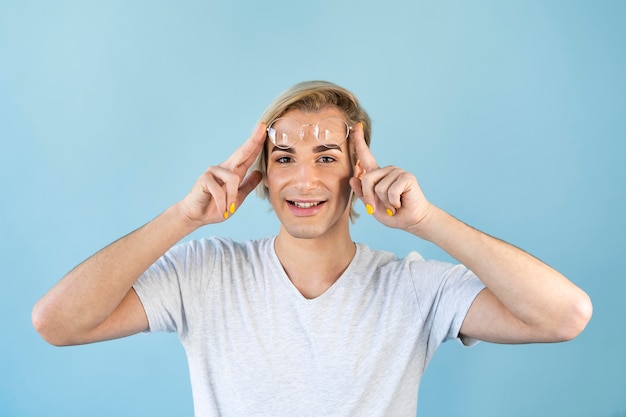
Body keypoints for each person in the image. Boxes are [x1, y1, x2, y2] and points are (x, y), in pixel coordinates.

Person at [32, 80, 592, 416]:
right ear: (263, 178)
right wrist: (182, 219)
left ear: (358, 173)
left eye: (327, 157)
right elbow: (57, 323)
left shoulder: (415, 287)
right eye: (285, 159)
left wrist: (427, 221)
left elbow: (565, 316)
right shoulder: (204, 272)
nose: (304, 180)